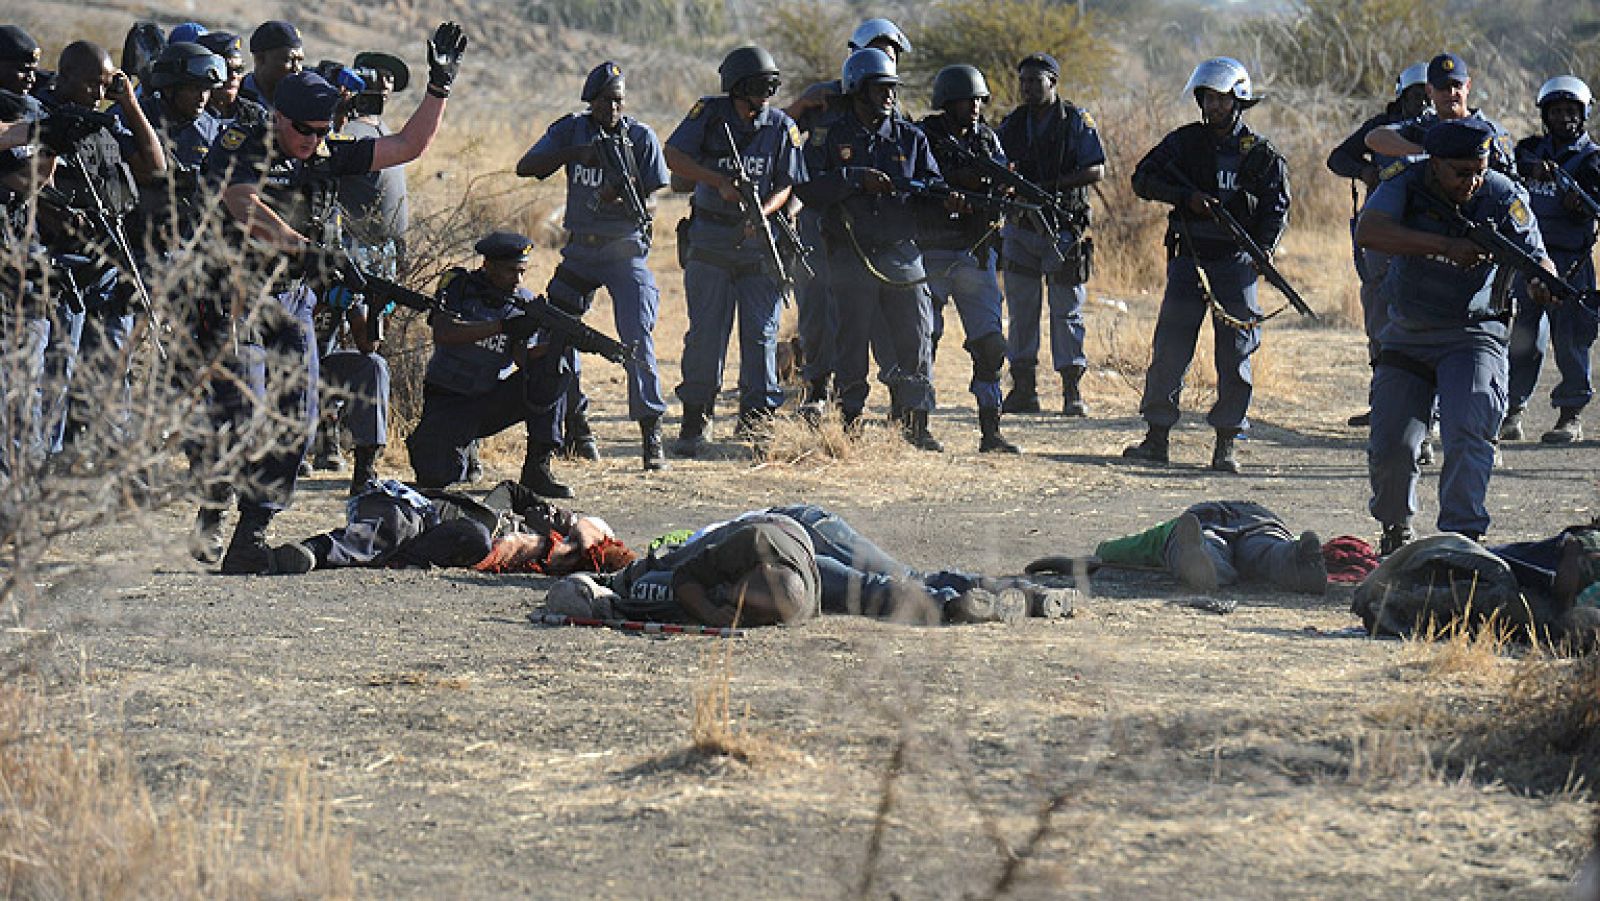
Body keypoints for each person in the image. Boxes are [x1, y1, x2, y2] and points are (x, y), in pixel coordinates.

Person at [200, 22, 465, 574]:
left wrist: (439, 86)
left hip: (291, 300)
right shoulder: (242, 144)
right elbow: (240, 200)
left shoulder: (323, 153)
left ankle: (252, 532)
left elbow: (407, 146)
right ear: (279, 116)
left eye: (322, 131)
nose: (312, 140)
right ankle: (212, 505)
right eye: (303, 130)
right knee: (241, 413)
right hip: (235, 298)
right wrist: (301, 245)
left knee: (298, 414)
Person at [1355, 118, 1558, 554]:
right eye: (1461, 172)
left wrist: (1544, 283)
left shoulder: (1503, 194)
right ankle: (1396, 533)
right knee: (1392, 441)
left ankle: (1461, 541)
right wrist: (1443, 246)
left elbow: (1538, 256)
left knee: (1470, 430)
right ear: (1435, 164)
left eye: (1479, 170)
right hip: (1407, 331)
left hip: (1474, 334)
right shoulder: (1406, 183)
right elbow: (1369, 230)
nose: (1473, 181)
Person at [1125, 57, 1290, 474]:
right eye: (1207, 98)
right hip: (1189, 260)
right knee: (1170, 349)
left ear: (1239, 100)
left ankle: (1227, 444)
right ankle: (1156, 436)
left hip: (1235, 265)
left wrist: (1263, 250)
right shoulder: (1183, 143)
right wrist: (1186, 199)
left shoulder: (1262, 154)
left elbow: (1277, 207)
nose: (1213, 106)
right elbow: (1142, 179)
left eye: (1220, 98)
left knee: (1236, 356)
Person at [515, 62, 671, 470]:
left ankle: (651, 434)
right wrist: (573, 154)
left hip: (626, 250)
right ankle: (575, 425)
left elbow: (655, 198)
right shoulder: (572, 129)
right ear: (591, 101)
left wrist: (625, 198)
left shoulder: (640, 137)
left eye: (619, 100)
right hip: (581, 251)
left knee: (638, 335)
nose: (614, 108)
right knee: (558, 333)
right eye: (606, 101)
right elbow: (527, 166)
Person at [578, 504, 1072, 628]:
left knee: (877, 591)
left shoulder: (648, 577)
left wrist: (716, 612)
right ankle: (1014, 593)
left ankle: (969, 603)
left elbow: (684, 587)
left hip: (781, 544)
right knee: (896, 580)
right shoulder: (662, 559)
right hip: (790, 530)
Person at [793, 47, 944, 449]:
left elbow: (933, 187)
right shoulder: (830, 137)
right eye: (881, 88)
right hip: (850, 254)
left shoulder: (911, 139)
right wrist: (854, 178)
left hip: (901, 254)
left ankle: (916, 422)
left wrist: (947, 199)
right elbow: (808, 188)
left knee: (916, 337)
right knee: (851, 342)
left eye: (893, 88)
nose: (889, 96)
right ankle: (850, 421)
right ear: (858, 89)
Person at [663, 45, 806, 454]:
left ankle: (757, 421)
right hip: (709, 241)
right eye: (758, 88)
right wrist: (716, 181)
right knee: (706, 336)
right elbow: (673, 156)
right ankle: (696, 418)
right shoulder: (708, 114)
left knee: (761, 335)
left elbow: (788, 183)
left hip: (760, 245)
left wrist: (761, 212)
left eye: (771, 88)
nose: (764, 98)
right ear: (737, 87)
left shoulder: (780, 127)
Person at [35, 40, 166, 462]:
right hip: (59, 264)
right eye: (92, 83)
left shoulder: (104, 122)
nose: (97, 92)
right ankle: (46, 458)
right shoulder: (39, 116)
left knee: (110, 365)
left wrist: (128, 103)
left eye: (104, 84)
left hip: (105, 263)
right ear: (65, 75)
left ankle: (107, 455)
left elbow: (154, 167)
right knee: (59, 366)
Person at [784, 17, 913, 417]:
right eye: (877, 53)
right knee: (818, 308)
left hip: (873, 229)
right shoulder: (824, 101)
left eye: (892, 57)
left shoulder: (892, 107)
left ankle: (895, 395)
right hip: (821, 221)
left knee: (881, 314)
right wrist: (802, 105)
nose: (886, 62)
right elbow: (777, 136)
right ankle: (817, 388)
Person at [404, 230, 575, 498]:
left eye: (522, 271)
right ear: (488, 265)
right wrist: (501, 326)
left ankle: (537, 469)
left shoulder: (524, 302)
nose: (517, 279)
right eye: (510, 271)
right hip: (447, 398)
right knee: (436, 478)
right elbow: (445, 332)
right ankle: (459, 445)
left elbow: (521, 358)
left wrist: (555, 347)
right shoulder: (459, 287)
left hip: (487, 399)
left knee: (552, 370)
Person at [995, 53, 1105, 418]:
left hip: (1063, 230)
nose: (1026, 88)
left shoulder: (1075, 121)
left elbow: (1096, 169)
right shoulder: (1013, 124)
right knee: (1022, 312)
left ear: (1053, 82)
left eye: (1034, 81)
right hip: (1021, 229)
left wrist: (1050, 187)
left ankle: (1072, 390)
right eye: (1023, 81)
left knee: (1067, 312)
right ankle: (1023, 390)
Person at [915, 64, 1019, 453]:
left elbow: (999, 183)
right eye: (967, 99)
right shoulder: (926, 137)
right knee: (925, 338)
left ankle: (991, 431)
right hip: (932, 249)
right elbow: (919, 183)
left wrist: (1000, 190)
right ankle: (917, 423)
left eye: (979, 99)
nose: (976, 106)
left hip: (976, 252)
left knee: (991, 343)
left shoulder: (987, 141)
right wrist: (952, 188)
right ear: (948, 102)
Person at [1326, 61, 1431, 428]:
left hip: (1427, 235)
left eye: (1427, 94)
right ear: (1400, 97)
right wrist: (1365, 171)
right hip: (1382, 234)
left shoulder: (1443, 130)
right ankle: (1383, 401)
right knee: (1378, 316)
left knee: (1425, 318)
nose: (1421, 102)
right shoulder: (1380, 128)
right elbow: (1337, 158)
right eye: (1414, 95)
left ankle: (1426, 411)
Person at [1503, 77, 1600, 445]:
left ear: (1584, 114)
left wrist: (1579, 207)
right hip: (1527, 260)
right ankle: (1512, 412)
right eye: (1556, 112)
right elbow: (1507, 166)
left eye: (1571, 112)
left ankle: (1570, 416)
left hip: (1571, 264)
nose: (1564, 119)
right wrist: (1532, 170)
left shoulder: (1593, 160)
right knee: (1523, 337)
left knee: (1572, 338)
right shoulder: (1530, 149)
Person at [1084, 500, 1327, 594]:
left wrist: (1104, 550)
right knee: (1269, 551)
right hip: (1260, 520)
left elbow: (1113, 550)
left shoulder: (1171, 527)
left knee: (1209, 546)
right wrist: (1299, 547)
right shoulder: (1265, 516)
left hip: (1202, 521)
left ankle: (1203, 560)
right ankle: (1296, 562)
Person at [1365, 52, 1514, 175]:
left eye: (1457, 85)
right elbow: (1374, 138)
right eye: (1443, 87)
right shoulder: (1421, 126)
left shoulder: (1490, 131)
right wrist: (1426, 153)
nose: (1451, 93)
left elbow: (1508, 181)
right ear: (1429, 91)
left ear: (1468, 86)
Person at [195, 31, 266, 128]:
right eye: (226, 69)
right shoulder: (191, 115)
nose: (234, 76)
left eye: (239, 69)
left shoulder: (254, 115)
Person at [238, 20, 304, 111]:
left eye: (299, 61)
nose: (296, 68)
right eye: (288, 60)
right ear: (260, 59)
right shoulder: (235, 97)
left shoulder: (302, 100)